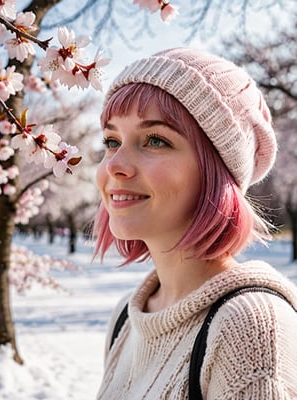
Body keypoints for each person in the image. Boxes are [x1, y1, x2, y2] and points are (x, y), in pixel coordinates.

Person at [94, 47, 297, 399]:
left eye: (155, 140)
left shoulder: (248, 329)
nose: (114, 164)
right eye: (112, 141)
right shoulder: (127, 318)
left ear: (215, 173)